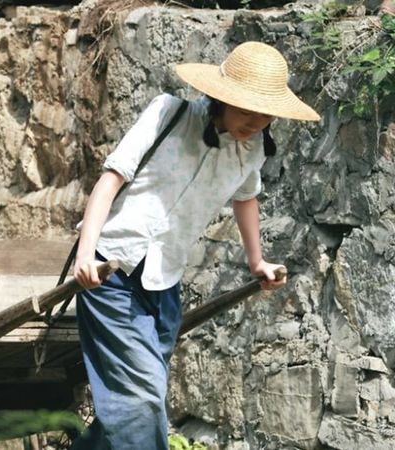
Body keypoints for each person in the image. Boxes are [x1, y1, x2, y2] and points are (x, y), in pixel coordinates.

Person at [70, 42, 320, 449]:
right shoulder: (169, 114)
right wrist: (85, 253)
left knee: (133, 403)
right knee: (141, 401)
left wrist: (256, 260)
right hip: (110, 273)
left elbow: (246, 198)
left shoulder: (252, 148)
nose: (257, 122)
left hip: (164, 285)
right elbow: (111, 179)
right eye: (248, 110)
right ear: (222, 98)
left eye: (266, 113)